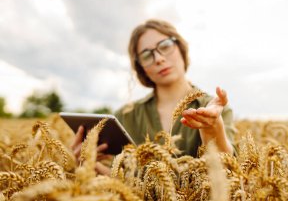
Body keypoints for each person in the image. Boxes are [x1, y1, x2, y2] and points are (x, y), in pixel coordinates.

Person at [71, 19, 235, 175]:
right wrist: (89, 165)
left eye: (165, 46)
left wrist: (213, 131)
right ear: (141, 67)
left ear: (180, 47)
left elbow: (228, 173)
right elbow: (119, 183)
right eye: (147, 55)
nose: (158, 59)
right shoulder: (125, 117)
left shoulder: (213, 109)